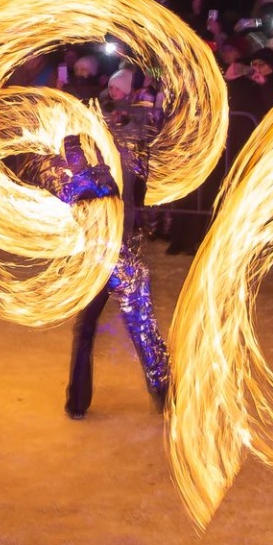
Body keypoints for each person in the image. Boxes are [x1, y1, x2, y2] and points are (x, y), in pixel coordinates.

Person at [58, 66, 169, 418]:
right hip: (124, 250)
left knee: (88, 328)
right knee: (141, 327)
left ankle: (77, 403)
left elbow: (70, 194)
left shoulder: (91, 171)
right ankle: (164, 395)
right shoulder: (133, 151)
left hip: (104, 255)